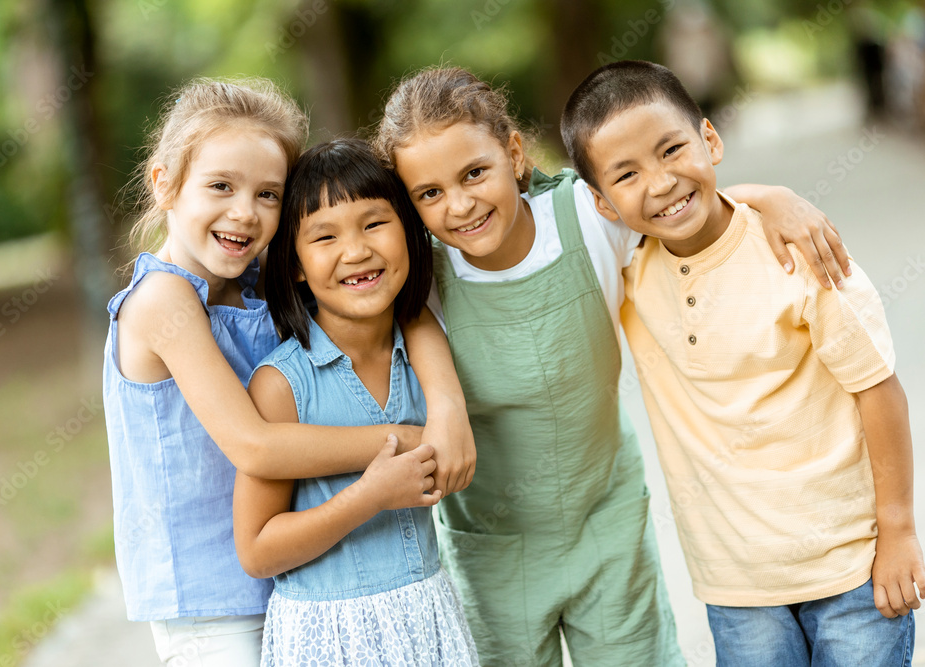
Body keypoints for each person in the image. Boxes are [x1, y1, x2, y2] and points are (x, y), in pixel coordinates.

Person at [372, 66, 855, 666]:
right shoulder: (423, 279)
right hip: (492, 547)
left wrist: (767, 197)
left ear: (515, 152)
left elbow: (673, 203)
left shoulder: (586, 216)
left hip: (608, 524)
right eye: (430, 193)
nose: (461, 204)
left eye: (475, 173)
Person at [561, 59, 922, 666]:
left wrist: (899, 531)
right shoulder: (628, 271)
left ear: (711, 139)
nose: (660, 182)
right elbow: (517, 206)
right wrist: (761, 190)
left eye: (672, 149)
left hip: (853, 566)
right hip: (738, 587)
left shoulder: (800, 254)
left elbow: (878, 390)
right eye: (627, 174)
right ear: (602, 203)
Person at [103, 79, 473, 667]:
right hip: (209, 606)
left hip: (291, 579)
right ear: (165, 182)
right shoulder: (162, 301)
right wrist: (408, 441)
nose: (244, 212)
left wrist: (448, 404)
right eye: (221, 186)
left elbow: (404, 309)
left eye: (268, 194)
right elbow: (255, 447)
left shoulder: (255, 290)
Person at [233, 138, 479, 666]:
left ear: (409, 235)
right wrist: (369, 496)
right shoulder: (283, 385)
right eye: (324, 236)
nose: (357, 250)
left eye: (374, 224)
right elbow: (257, 549)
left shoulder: (422, 353)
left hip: (427, 614)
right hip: (330, 635)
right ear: (295, 265)